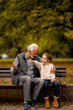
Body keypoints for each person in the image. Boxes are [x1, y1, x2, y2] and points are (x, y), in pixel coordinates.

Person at [11, 43, 44, 110]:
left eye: (37, 53)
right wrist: (15, 69)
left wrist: (52, 67)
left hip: (32, 78)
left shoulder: (37, 57)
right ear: (29, 51)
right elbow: (12, 70)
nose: (36, 54)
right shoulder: (19, 57)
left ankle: (31, 101)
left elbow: (46, 62)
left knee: (41, 81)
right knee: (27, 78)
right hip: (21, 78)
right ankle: (25, 102)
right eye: (35, 53)